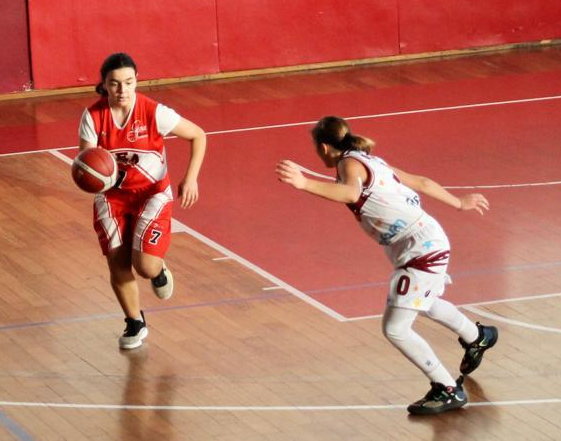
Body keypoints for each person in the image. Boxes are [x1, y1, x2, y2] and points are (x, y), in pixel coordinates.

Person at [275, 116, 498, 415]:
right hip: (419, 241)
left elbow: (351, 193)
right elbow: (422, 182)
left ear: (324, 147)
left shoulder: (349, 164)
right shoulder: (371, 160)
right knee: (425, 303)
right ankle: (478, 337)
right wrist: (458, 203)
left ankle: (447, 388)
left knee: (395, 329)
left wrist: (303, 183)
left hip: (420, 248)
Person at [78, 53, 206, 350]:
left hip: (152, 193)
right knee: (117, 261)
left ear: (136, 81)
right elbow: (86, 162)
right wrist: (89, 174)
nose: (122, 89)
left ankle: (158, 271)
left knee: (145, 267)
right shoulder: (93, 117)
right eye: (115, 83)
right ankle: (135, 321)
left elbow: (198, 135)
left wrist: (191, 178)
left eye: (128, 82)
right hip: (112, 196)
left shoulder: (154, 112)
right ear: (104, 85)